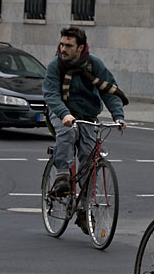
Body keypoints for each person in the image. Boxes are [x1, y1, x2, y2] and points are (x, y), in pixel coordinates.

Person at [42, 27, 127, 234]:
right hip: (61, 111)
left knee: (90, 159)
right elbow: (50, 94)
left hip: (87, 115)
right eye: (62, 44)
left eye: (69, 46)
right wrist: (65, 114)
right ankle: (62, 176)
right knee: (68, 132)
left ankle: (85, 207)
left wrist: (118, 116)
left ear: (80, 48)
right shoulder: (56, 65)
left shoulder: (94, 64)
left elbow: (109, 89)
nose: (63, 49)